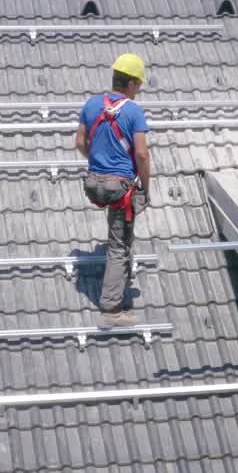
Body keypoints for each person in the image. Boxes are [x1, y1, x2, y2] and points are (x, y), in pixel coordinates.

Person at [74, 53, 151, 327]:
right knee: (118, 246)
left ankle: (116, 291)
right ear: (130, 84)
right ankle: (111, 311)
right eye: (139, 84)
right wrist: (145, 186)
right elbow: (141, 154)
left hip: (94, 183)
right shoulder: (134, 111)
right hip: (119, 189)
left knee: (117, 238)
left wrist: (99, 163)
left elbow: (81, 142)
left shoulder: (92, 104)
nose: (139, 90)